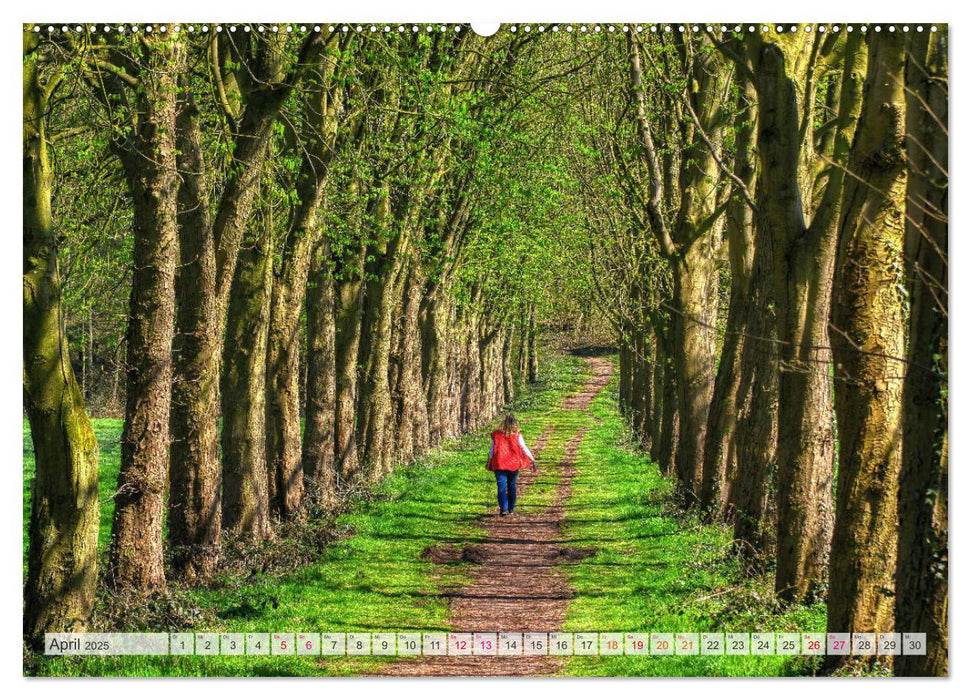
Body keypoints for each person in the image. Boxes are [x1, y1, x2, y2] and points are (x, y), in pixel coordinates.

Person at [485, 413, 536, 516]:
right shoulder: (517, 435)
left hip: (499, 463)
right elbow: (523, 447)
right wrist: (532, 459)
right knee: (511, 485)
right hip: (513, 464)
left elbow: (492, 450)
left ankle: (503, 508)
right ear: (515, 424)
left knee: (501, 486)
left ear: (502, 423)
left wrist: (489, 461)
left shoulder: (496, 435)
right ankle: (511, 509)